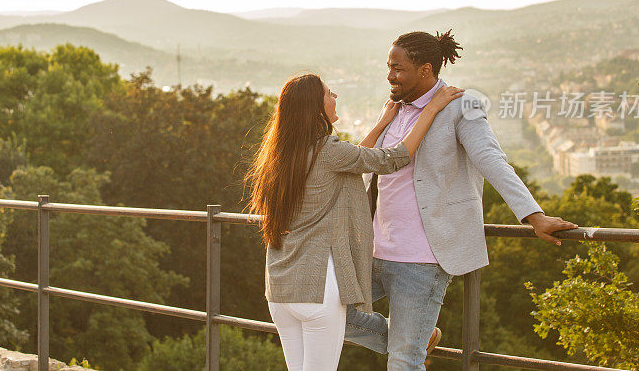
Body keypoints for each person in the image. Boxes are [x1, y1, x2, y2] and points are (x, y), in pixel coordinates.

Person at [344, 30, 578, 370]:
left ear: (425, 70)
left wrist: (533, 215)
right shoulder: (394, 108)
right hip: (374, 248)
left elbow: (492, 160)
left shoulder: (462, 106)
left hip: (422, 258)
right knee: (327, 310)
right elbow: (367, 164)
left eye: (398, 68)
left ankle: (408, 344)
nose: (390, 75)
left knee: (403, 362)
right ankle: (412, 339)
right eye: (388, 66)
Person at [246, 73, 463, 371]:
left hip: (280, 290)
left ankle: (409, 339)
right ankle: (410, 339)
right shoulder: (328, 151)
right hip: (318, 289)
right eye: (329, 93)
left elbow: (354, 159)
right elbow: (394, 158)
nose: (335, 96)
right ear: (315, 107)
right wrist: (430, 110)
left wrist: (382, 123)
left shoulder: (280, 154)